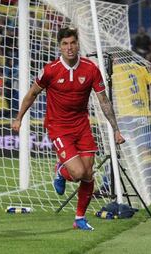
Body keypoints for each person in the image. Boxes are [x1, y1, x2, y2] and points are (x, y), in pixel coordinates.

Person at [11, 27, 125, 231]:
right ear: (59, 46)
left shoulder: (91, 69)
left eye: (72, 43)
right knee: (79, 172)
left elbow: (104, 101)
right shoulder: (50, 70)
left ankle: (79, 218)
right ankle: (61, 171)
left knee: (89, 173)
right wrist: (19, 118)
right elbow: (31, 94)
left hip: (82, 125)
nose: (69, 47)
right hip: (58, 127)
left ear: (78, 43)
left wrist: (115, 129)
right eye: (65, 44)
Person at [111, 48, 151, 202]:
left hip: (125, 118)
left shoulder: (113, 70)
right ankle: (149, 191)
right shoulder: (140, 69)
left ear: (116, 59)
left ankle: (109, 185)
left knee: (115, 152)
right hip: (143, 116)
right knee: (146, 154)